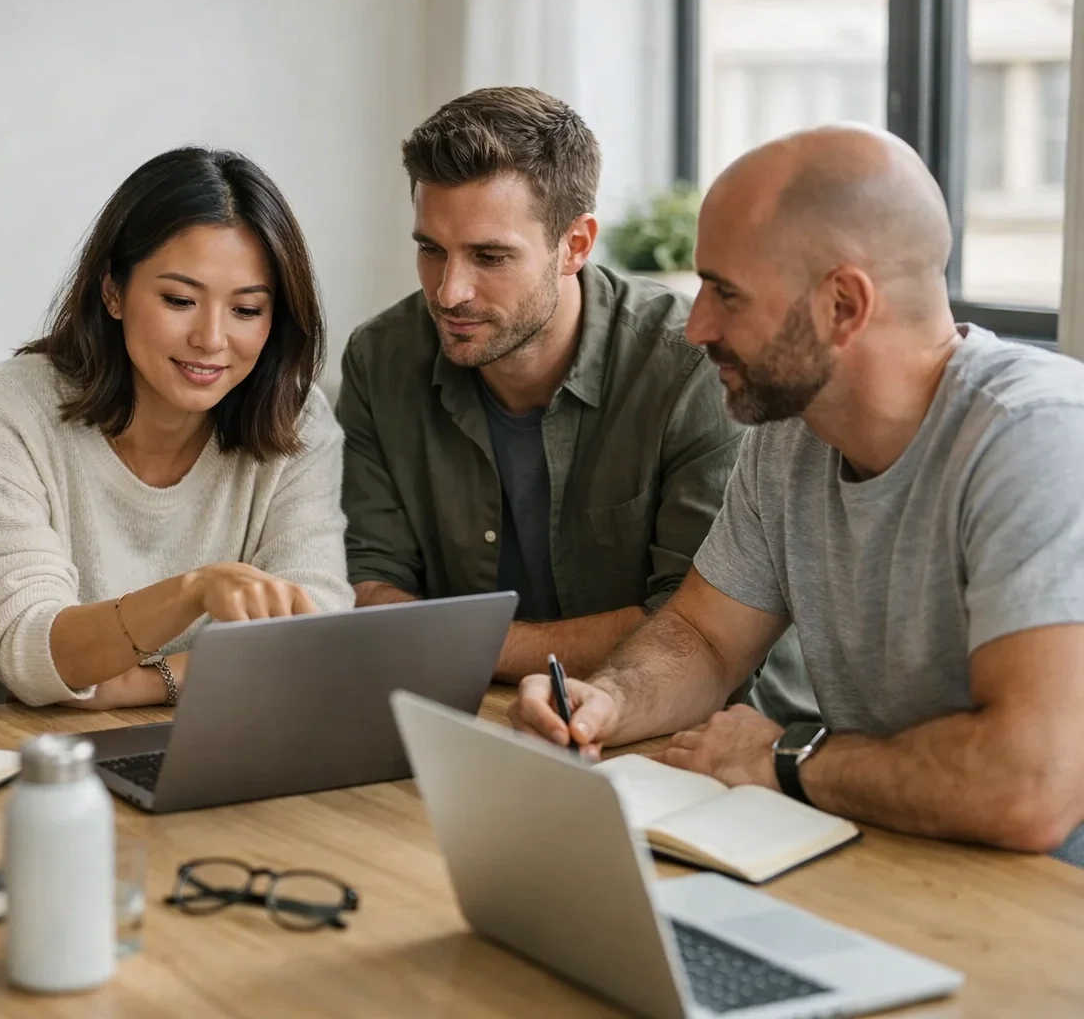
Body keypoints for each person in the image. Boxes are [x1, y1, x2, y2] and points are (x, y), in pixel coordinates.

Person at [510, 124, 1084, 864]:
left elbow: (1029, 788)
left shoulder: (1037, 439)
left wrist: (786, 758)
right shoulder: (794, 432)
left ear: (843, 304)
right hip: (891, 857)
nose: (697, 329)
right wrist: (608, 701)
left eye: (726, 293)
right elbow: (705, 638)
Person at [337, 86, 813, 720]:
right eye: (431, 249)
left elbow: (691, 625)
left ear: (577, 244)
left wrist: (459, 642)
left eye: (490, 256)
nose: (449, 292)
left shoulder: (690, 366)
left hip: (695, 728)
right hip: (469, 714)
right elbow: (366, 583)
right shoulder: (381, 357)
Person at [0, 147, 352, 709]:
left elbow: (315, 634)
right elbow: (28, 649)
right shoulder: (6, 406)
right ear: (113, 291)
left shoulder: (297, 420)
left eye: (247, 310)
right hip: (29, 755)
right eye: (180, 299)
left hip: (212, 738)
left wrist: (138, 683)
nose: (210, 338)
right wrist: (196, 590)